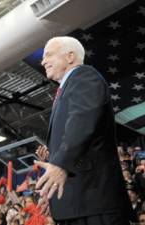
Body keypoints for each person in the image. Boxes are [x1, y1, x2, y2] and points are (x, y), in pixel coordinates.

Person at [34, 36, 134, 224]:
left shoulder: (84, 76)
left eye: (48, 55)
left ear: (70, 56)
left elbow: (82, 122)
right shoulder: (66, 88)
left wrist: (60, 164)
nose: (43, 61)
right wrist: (52, 192)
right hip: (76, 203)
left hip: (93, 201)